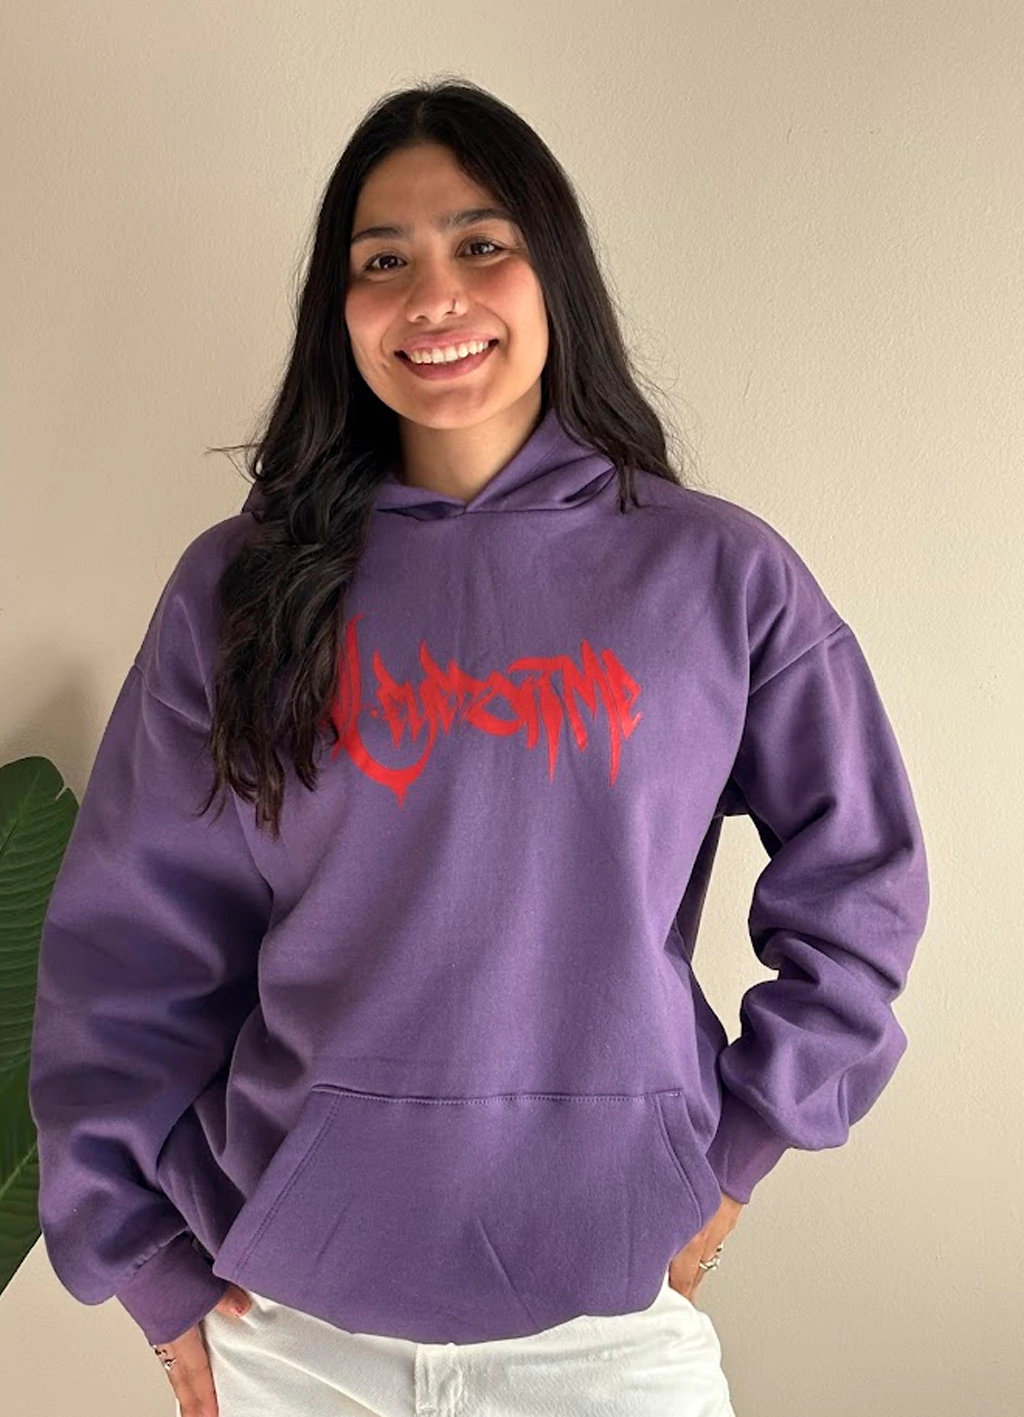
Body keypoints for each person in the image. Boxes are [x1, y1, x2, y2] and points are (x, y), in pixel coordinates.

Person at [27, 79, 929, 1417]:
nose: (433, 295)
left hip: (608, 1327)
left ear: (551, 268)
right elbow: (130, 947)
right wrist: (148, 1273)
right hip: (289, 1327)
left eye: (480, 243)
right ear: (340, 311)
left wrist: (737, 1154)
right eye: (382, 261)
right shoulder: (240, 587)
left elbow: (861, 879)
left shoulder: (715, 574)